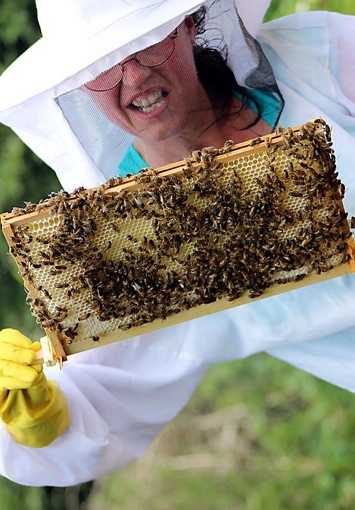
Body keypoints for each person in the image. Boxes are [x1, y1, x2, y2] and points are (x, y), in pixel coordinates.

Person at [0, 0, 355, 488]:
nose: (133, 76)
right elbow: (107, 388)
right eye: (101, 66)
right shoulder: (125, 239)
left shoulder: (325, 56)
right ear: (78, 84)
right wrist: (36, 412)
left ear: (188, 24)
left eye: (147, 41)